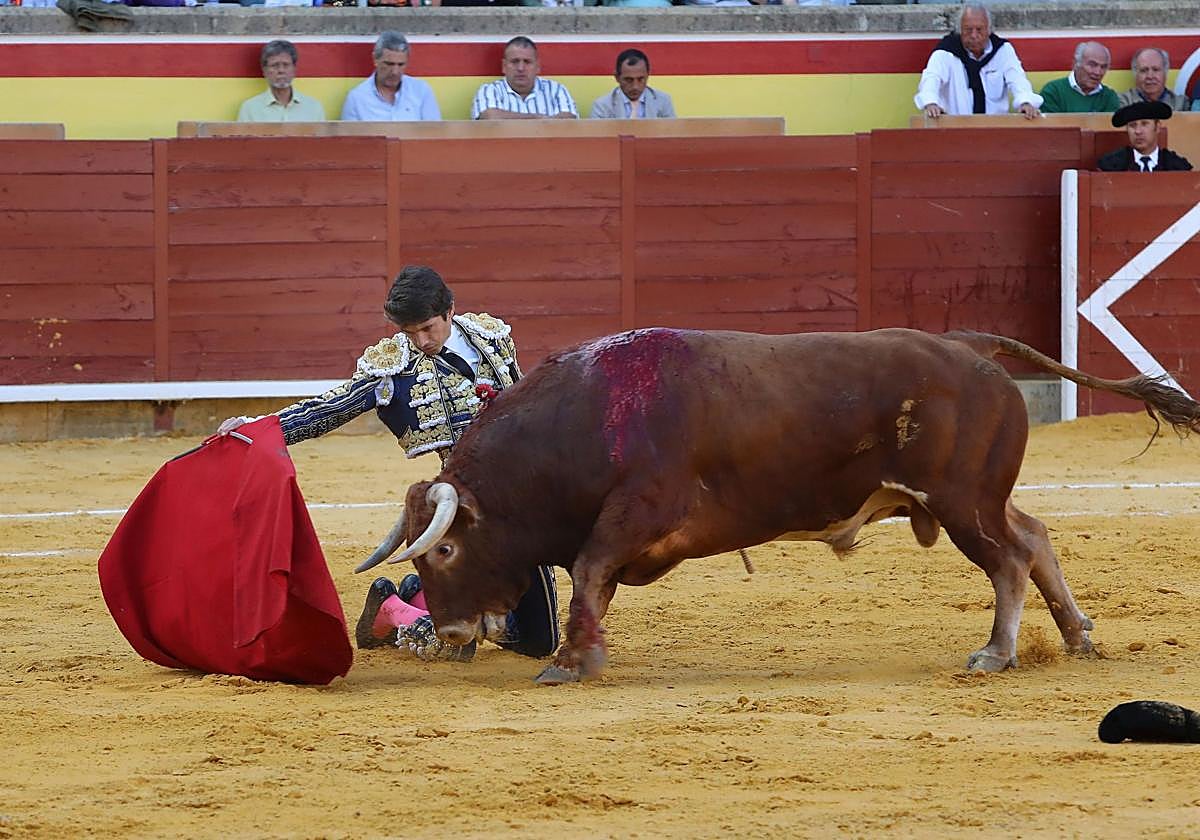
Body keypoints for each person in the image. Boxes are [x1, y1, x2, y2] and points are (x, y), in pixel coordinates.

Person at [217, 266, 559, 663]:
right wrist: (262, 428)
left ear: (450, 311)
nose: (420, 340)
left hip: (523, 497)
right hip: (464, 509)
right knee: (458, 636)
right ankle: (396, 613)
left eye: (428, 328)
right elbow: (330, 409)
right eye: (409, 332)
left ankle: (413, 595)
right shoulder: (393, 367)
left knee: (538, 642)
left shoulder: (492, 338)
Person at [913, 5, 1042, 120]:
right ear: (960, 31)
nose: (974, 35)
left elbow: (1017, 79)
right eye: (968, 30)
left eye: (979, 29)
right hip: (955, 129)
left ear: (989, 30)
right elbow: (931, 78)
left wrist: (1025, 102)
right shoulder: (946, 51)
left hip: (995, 129)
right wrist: (931, 103)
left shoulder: (1003, 50)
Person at [470, 36, 579, 120]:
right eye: (514, 61)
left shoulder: (556, 90)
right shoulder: (489, 90)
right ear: (504, 66)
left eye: (527, 62)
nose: (521, 68)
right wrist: (536, 118)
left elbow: (569, 120)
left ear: (537, 67)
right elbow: (490, 118)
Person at [341, 32, 441, 122]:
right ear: (375, 59)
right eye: (389, 64)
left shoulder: (421, 91)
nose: (395, 72)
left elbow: (435, 135)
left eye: (401, 64)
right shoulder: (357, 98)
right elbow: (350, 141)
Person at [237, 41, 326, 123]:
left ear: (294, 68)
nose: (281, 70)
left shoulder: (313, 107)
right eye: (274, 65)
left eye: (286, 65)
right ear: (264, 70)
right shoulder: (250, 108)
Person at [1097, 101, 1192, 172]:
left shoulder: (1177, 166)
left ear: (1158, 127)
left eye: (1144, 124)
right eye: (1132, 125)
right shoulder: (1111, 165)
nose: (1138, 131)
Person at [590, 49, 677, 119]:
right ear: (617, 77)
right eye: (628, 80)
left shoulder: (663, 101)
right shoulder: (602, 106)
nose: (635, 86)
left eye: (641, 79)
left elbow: (672, 136)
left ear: (648, 75)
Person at [1039, 41, 1120, 113]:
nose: (1098, 72)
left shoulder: (1109, 97)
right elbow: (1050, 128)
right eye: (1092, 65)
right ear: (1076, 64)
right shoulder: (1053, 91)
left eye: (1103, 67)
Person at [1118, 47, 1189, 112]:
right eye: (1144, 70)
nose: (1150, 76)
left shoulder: (1181, 104)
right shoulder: (1123, 102)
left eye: (1156, 69)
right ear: (1135, 74)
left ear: (1165, 71)